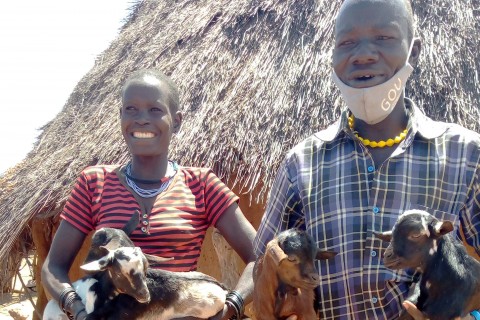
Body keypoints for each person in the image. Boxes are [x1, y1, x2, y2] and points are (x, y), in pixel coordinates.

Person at [253, 0, 480, 319]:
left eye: (384, 38)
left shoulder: (466, 155)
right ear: (333, 57)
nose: (363, 54)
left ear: (414, 52)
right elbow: (263, 261)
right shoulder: (300, 164)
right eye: (346, 42)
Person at [42, 69, 256, 320]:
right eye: (131, 109)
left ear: (176, 121)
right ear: (121, 116)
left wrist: (230, 307)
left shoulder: (202, 184)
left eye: (155, 110)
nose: (142, 119)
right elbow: (53, 267)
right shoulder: (94, 182)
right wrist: (78, 310)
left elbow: (259, 256)